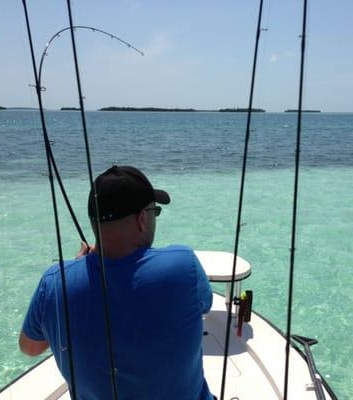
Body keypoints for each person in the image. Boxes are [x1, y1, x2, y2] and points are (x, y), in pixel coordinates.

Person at [19, 165, 214, 400]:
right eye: (155, 212)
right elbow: (204, 304)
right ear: (142, 219)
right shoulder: (184, 266)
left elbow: (30, 347)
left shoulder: (54, 283)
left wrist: (75, 270)